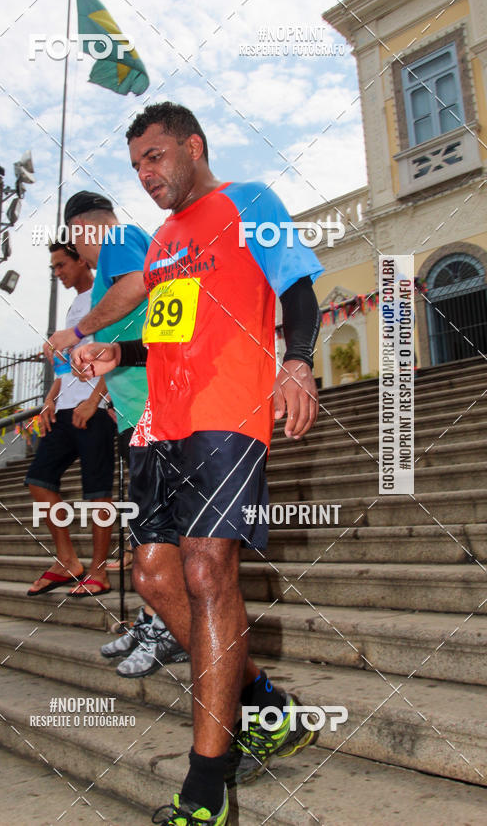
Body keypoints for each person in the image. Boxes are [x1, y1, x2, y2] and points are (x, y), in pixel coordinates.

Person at [73, 102, 324, 825]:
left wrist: (298, 364)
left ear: (193, 146)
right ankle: (267, 707)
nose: (146, 176)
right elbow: (167, 338)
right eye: (135, 167)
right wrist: (117, 352)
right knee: (155, 576)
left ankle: (207, 790)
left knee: (208, 570)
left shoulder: (250, 202)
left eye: (155, 158)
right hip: (159, 421)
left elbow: (298, 292)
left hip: (228, 413)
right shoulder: (158, 247)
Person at [46, 193, 188, 675]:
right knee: (151, 521)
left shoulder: (119, 239)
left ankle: (174, 625)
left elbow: (135, 283)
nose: (83, 262)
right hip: (138, 409)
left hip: (159, 406)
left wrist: (78, 331)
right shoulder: (122, 248)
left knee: (160, 524)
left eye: (76, 248)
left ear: (83, 227)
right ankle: (155, 618)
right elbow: (133, 335)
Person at [25, 241, 115, 597]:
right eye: (54, 267)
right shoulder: (74, 308)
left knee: (98, 493)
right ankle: (67, 561)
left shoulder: (106, 296)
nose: (57, 272)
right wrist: (49, 400)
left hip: (95, 411)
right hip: (64, 410)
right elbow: (64, 365)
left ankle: (99, 571)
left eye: (61, 265)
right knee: (39, 480)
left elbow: (118, 350)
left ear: (81, 260)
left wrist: (96, 399)